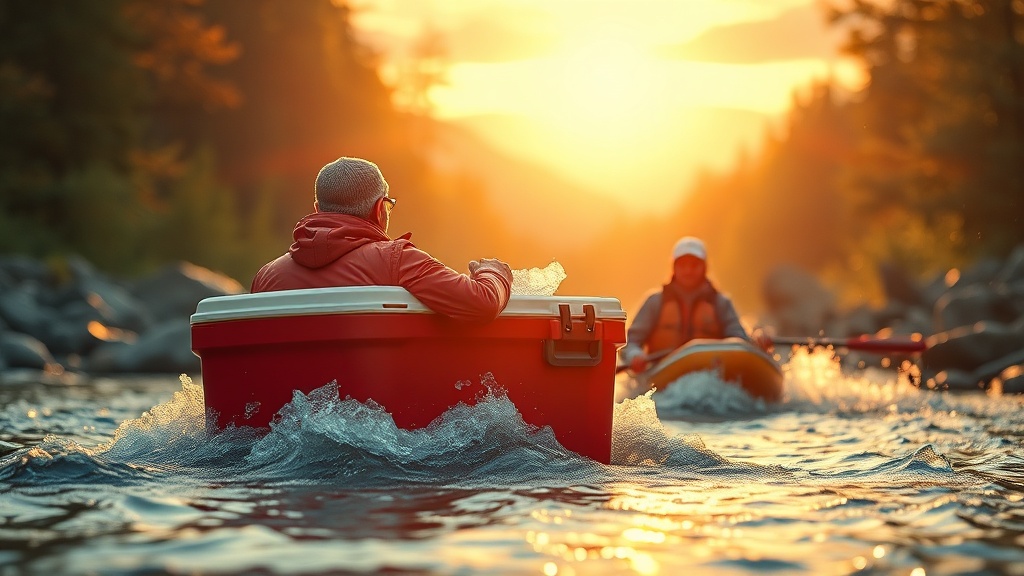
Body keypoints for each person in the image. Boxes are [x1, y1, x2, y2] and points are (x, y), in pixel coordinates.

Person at [251, 156, 513, 322]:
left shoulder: (267, 278)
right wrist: (493, 271)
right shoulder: (398, 261)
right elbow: (483, 302)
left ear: (318, 209)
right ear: (379, 208)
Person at [620, 236, 758, 374]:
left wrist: (757, 340)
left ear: (704, 267)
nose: (688, 270)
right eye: (682, 265)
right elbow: (630, 343)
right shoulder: (655, 301)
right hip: (661, 373)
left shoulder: (721, 303)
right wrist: (635, 355)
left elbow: (740, 341)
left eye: (694, 265)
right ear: (674, 267)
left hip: (710, 373)